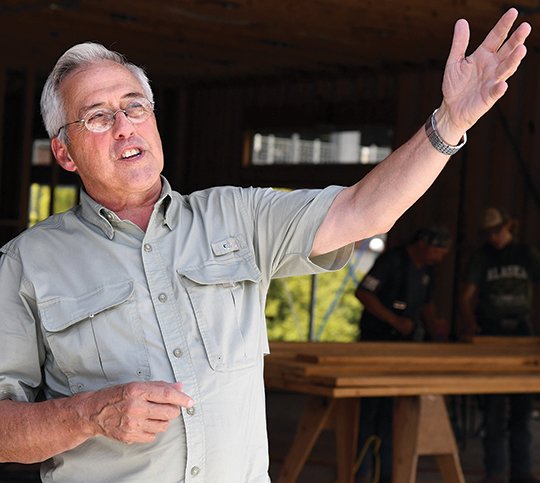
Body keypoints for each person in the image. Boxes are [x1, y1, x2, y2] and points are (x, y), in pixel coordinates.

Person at [0, 9, 530, 482]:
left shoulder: (238, 215)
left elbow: (361, 209)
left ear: (154, 122)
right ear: (65, 153)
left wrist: (450, 122)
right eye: (97, 116)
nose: (123, 126)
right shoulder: (28, 263)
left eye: (135, 106)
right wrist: (87, 414)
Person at [354, 225, 451, 482]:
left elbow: (427, 305)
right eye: (438, 251)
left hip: (404, 349)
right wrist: (393, 320)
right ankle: (359, 472)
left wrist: (438, 331)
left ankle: (386, 474)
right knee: (368, 412)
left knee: (393, 414)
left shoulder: (427, 270)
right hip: (376, 345)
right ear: (424, 244)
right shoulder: (391, 261)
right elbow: (363, 292)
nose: (440, 258)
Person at [461, 207, 540, 483]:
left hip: (521, 331)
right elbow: (467, 295)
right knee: (493, 409)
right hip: (491, 331)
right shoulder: (483, 257)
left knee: (522, 407)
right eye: (489, 233)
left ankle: (523, 471)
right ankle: (494, 472)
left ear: (508, 227)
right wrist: (472, 324)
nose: (494, 237)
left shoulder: (526, 254)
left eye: (498, 231)